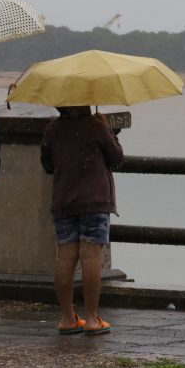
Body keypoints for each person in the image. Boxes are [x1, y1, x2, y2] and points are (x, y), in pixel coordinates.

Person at [40, 105, 124, 336]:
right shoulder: (96, 127)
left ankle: (67, 318)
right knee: (91, 256)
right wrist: (108, 130)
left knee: (65, 257)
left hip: (64, 201)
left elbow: (47, 164)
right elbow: (117, 159)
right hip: (94, 200)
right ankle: (92, 318)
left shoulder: (52, 129)